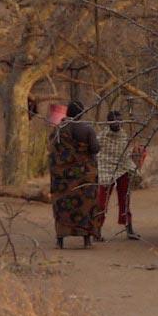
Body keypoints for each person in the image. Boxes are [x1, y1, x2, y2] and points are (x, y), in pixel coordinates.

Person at [49, 102, 103, 249]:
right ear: (82, 113)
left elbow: (53, 152)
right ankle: (86, 240)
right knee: (86, 205)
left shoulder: (58, 130)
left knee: (62, 206)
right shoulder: (87, 129)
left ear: (68, 112)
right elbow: (95, 148)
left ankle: (60, 240)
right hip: (85, 176)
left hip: (63, 179)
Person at [93, 109, 141, 241]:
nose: (118, 124)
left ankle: (129, 229)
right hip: (105, 168)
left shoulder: (124, 135)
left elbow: (126, 154)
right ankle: (96, 230)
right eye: (115, 121)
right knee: (102, 202)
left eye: (120, 121)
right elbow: (96, 153)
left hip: (122, 168)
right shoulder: (101, 136)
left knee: (125, 199)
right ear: (108, 122)